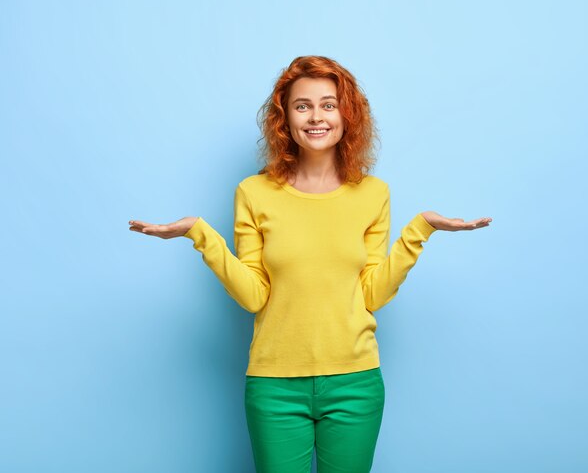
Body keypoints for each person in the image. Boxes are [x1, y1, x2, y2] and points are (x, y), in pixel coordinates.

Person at [129, 55, 492, 473]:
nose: (316, 117)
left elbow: (372, 295)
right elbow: (253, 296)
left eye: (328, 104)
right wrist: (200, 234)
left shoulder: (373, 194)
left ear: (346, 115)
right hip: (274, 386)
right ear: (285, 117)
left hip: (355, 382)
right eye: (303, 106)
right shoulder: (254, 192)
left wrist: (419, 231)